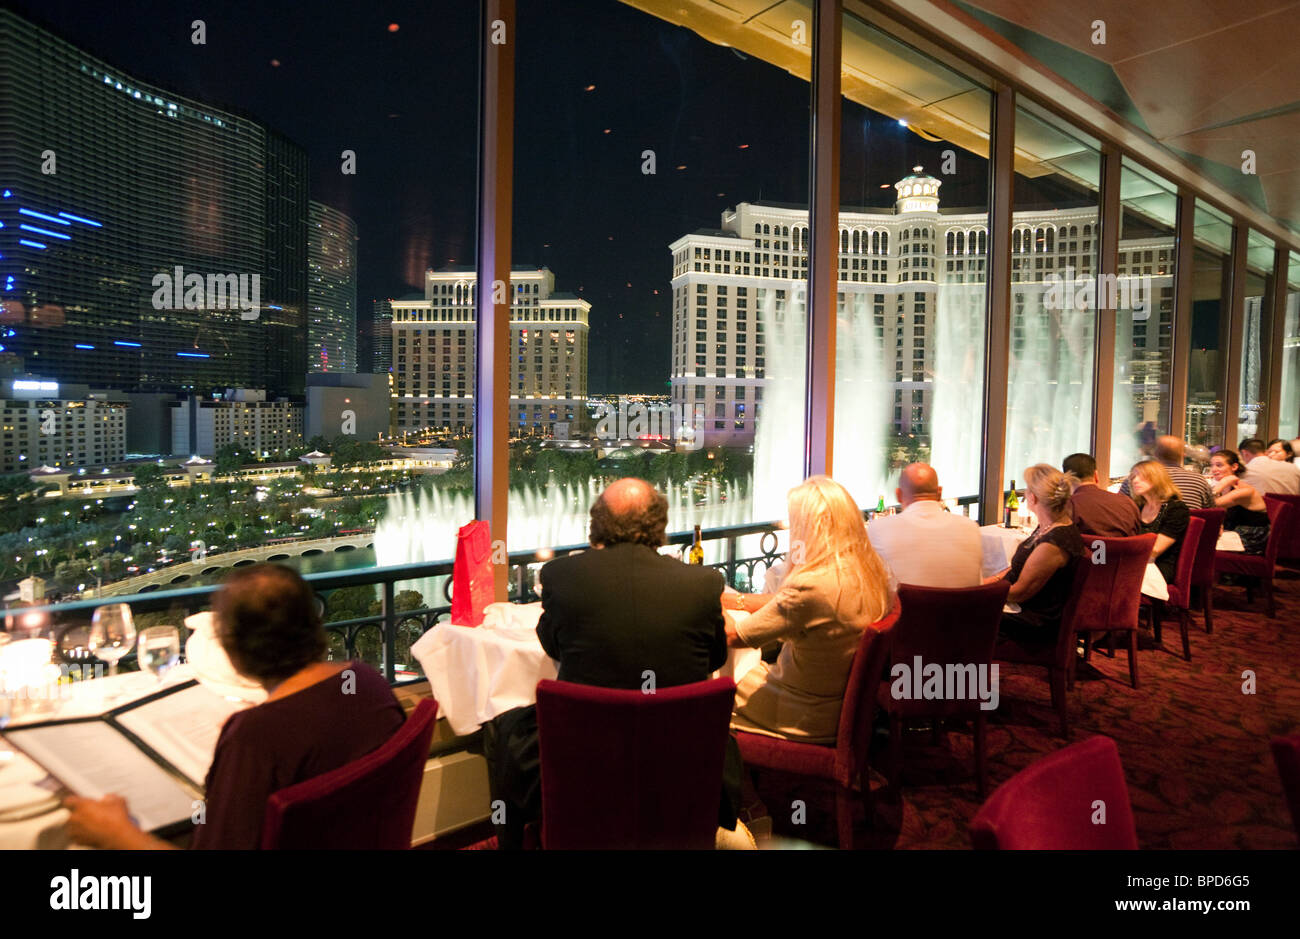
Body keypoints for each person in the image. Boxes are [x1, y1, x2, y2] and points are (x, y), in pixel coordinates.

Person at [63, 565, 405, 850]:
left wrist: (117, 835)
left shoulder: (255, 736)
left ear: (234, 648)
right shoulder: (368, 684)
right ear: (315, 625)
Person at [486, 477, 733, 849]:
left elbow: (551, 645)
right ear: (659, 524)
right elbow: (716, 656)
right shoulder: (702, 583)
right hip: (680, 768)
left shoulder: (561, 576)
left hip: (583, 770)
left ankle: (514, 840)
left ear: (596, 524)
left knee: (501, 726)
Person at [721, 476, 894, 744]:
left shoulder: (811, 585)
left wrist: (706, 595)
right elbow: (782, 603)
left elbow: (734, 635)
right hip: (843, 707)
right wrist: (733, 601)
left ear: (811, 527)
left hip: (802, 713)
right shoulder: (868, 572)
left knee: (712, 689)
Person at [989, 464, 1086, 639]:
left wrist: (983, 594)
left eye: (1026, 490)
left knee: (962, 612)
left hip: (1036, 619)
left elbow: (1020, 593)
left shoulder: (1054, 543)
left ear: (1032, 498)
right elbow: (1016, 572)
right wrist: (990, 581)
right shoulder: (1049, 526)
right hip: (1028, 607)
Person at [866, 462, 982, 587]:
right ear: (939, 492)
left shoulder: (878, 529)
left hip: (906, 607)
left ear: (898, 495)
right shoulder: (971, 528)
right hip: (964, 606)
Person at [1128, 461, 1190, 584]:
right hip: (1137, 560)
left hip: (1159, 566)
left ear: (1157, 478)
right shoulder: (1137, 506)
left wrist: (1121, 551)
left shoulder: (1176, 509)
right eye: (1133, 477)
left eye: (1141, 476)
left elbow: (1156, 549)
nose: (1135, 480)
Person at [1118, 435, 1214, 508]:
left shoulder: (1136, 480)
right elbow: (1211, 513)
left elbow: (1119, 507)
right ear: (1183, 455)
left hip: (1147, 532)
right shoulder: (1199, 480)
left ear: (1155, 454)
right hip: (1191, 532)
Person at [1062, 452, 1139, 537]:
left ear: (1066, 480)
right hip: (1126, 550)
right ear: (1096, 475)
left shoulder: (1069, 507)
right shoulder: (1127, 502)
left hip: (1089, 550)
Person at [1210, 449, 1271, 555]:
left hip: (1252, 537)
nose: (1214, 469)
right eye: (1212, 465)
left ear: (1234, 467)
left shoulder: (1244, 490)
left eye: (1219, 465)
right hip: (1235, 532)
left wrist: (1221, 484)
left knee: (1202, 544)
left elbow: (1210, 503)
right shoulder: (1227, 488)